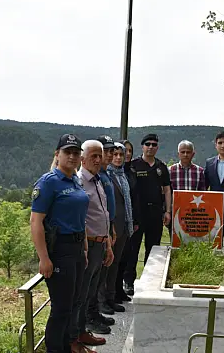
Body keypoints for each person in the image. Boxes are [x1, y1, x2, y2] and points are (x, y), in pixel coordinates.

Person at [29, 134, 92, 353]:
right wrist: (44, 258)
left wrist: (83, 248)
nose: (73, 157)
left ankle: (67, 346)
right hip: (59, 250)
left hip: (75, 248)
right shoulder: (49, 182)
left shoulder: (75, 180)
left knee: (73, 303)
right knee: (61, 308)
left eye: (76, 153)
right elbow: (36, 221)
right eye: (68, 152)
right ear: (58, 154)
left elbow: (80, 217)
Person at [75, 140, 115, 339]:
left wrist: (107, 244)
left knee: (93, 287)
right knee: (83, 291)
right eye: (94, 156)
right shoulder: (79, 181)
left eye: (100, 156)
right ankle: (82, 328)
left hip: (100, 242)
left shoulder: (98, 180)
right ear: (82, 159)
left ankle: (89, 320)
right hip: (87, 244)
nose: (98, 160)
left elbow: (103, 213)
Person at [124, 134, 171, 295]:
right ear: (142, 146)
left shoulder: (161, 167)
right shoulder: (134, 165)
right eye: (148, 144)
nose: (151, 147)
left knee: (153, 250)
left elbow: (167, 190)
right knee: (133, 249)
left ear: (157, 147)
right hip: (138, 213)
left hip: (155, 212)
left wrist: (168, 211)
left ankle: (149, 282)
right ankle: (128, 282)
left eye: (154, 144)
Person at [98, 142, 134, 315]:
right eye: (115, 154)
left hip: (124, 225)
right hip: (111, 227)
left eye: (121, 154)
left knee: (115, 264)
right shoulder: (105, 175)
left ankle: (111, 298)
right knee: (106, 266)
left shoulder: (123, 175)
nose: (118, 157)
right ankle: (102, 301)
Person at [87, 136, 117, 322]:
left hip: (103, 233)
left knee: (98, 277)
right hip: (89, 239)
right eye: (99, 153)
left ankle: (94, 313)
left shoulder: (102, 177)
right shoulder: (85, 178)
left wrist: (109, 230)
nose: (105, 157)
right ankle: (89, 317)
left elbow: (104, 209)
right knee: (90, 283)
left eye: (109, 152)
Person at [118, 140, 140, 299]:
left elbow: (135, 197)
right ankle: (113, 292)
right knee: (116, 260)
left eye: (128, 151)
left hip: (130, 220)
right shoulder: (112, 172)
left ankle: (119, 290)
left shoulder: (132, 171)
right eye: (119, 152)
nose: (125, 155)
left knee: (126, 256)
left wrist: (135, 220)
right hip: (117, 222)